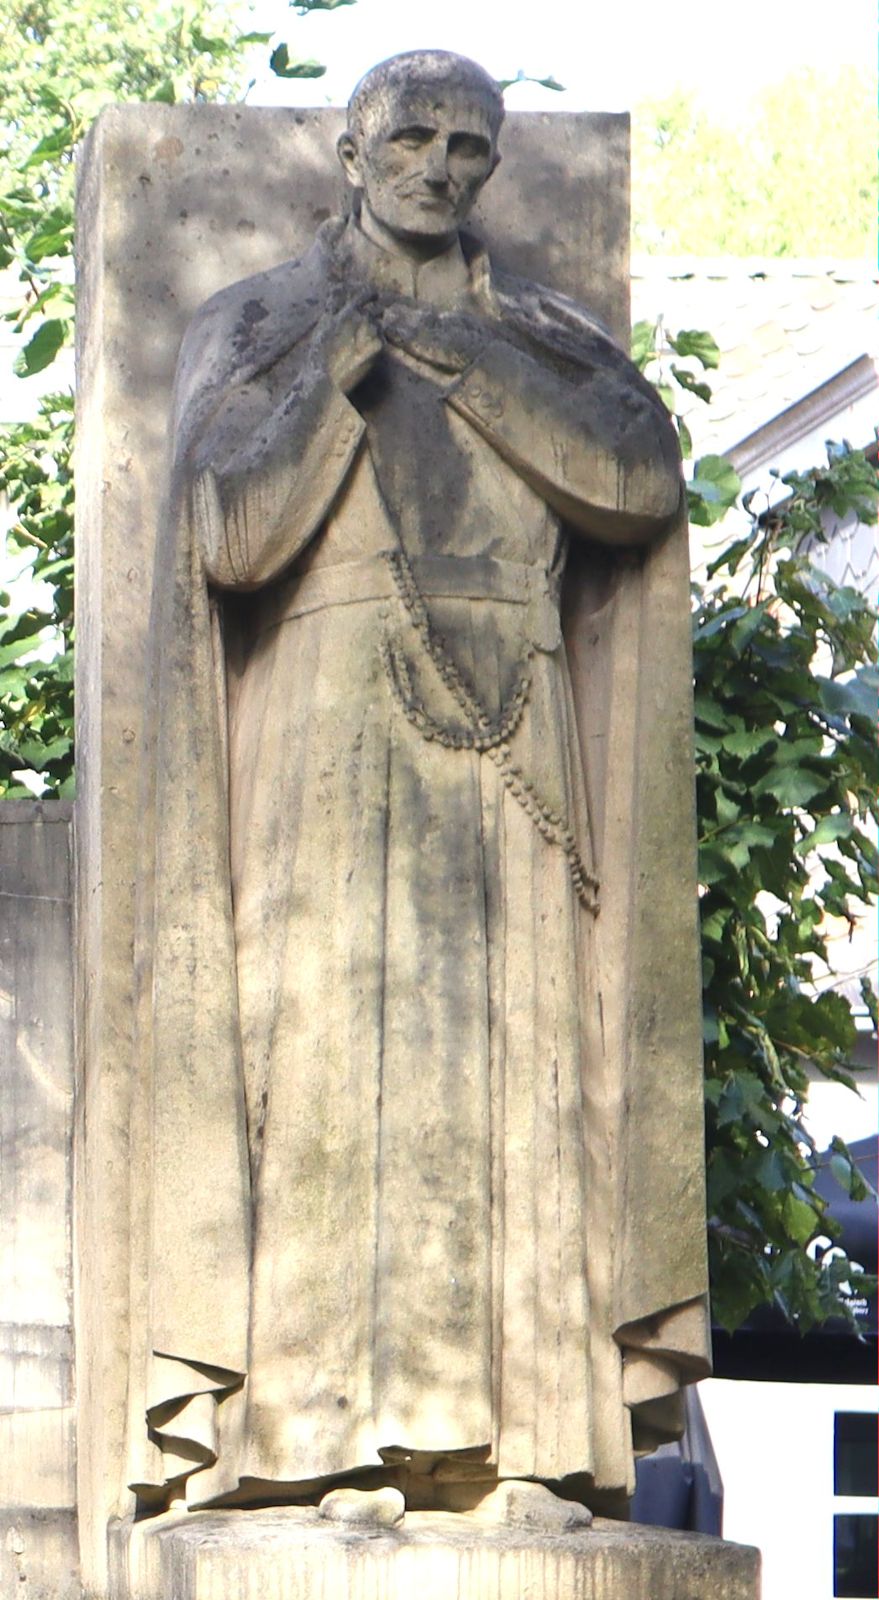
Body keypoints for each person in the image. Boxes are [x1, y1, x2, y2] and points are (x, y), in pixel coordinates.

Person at [130, 49, 710, 1525]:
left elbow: (640, 483)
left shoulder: (548, 337)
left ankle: (523, 1447)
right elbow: (228, 536)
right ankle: (316, 1441)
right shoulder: (261, 322)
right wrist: (340, 366)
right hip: (326, 735)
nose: (440, 168)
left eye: (469, 146)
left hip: (518, 748)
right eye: (412, 139)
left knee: (525, 1067)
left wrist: (458, 358)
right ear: (352, 153)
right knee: (327, 1060)